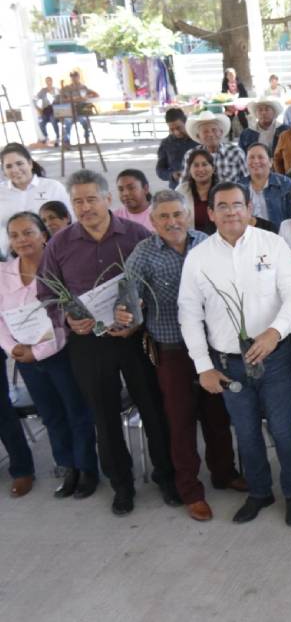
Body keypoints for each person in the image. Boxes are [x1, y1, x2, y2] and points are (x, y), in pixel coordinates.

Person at [37, 169, 176, 516]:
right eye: (78, 201)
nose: (85, 207)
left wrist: (139, 317)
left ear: (107, 199)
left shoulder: (136, 235)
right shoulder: (60, 244)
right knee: (105, 416)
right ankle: (122, 485)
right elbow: (46, 294)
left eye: (91, 199)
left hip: (134, 338)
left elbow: (158, 286)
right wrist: (67, 319)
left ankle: (166, 476)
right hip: (89, 343)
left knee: (153, 409)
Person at [178, 181, 291, 526]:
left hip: (273, 357)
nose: (231, 212)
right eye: (222, 206)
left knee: (282, 428)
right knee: (246, 433)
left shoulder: (272, 244)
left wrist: (274, 332)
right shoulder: (198, 258)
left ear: (250, 209)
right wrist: (203, 366)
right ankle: (260, 493)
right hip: (228, 364)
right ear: (210, 213)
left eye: (237, 204)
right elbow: (189, 313)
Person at [122, 191, 245, 521]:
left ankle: (224, 473)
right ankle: (190, 490)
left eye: (177, 214)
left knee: (217, 416)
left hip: (212, 348)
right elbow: (127, 296)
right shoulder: (143, 253)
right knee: (181, 422)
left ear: (189, 215)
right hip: (173, 353)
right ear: (153, 221)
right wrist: (127, 310)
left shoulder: (206, 242)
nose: (172, 221)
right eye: (163, 216)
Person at [0, 212, 97, 500]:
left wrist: (38, 351)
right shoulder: (4, 273)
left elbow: (65, 319)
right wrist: (12, 349)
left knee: (77, 412)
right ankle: (68, 467)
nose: (21, 240)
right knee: (51, 415)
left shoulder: (58, 268)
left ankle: (87, 469)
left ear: (44, 235)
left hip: (61, 354)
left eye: (28, 232)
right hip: (25, 358)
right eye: (15, 235)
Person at [1, 144, 72, 254]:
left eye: (19, 163)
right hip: (7, 257)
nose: (15, 170)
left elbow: (71, 221)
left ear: (30, 163)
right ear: (4, 170)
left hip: (50, 254)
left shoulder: (53, 187)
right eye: (9, 166)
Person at [181, 111, 249, 185]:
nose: (210, 134)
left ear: (221, 132)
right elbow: (184, 183)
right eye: (205, 131)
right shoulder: (190, 155)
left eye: (214, 130)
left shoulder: (236, 152)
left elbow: (246, 180)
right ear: (198, 136)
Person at [237, 143, 291, 226]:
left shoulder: (285, 183)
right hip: (249, 233)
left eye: (260, 157)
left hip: (278, 233)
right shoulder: (239, 186)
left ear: (270, 162)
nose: (256, 161)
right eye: (251, 157)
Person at [156, 108, 200, 189]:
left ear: (186, 122)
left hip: (199, 186)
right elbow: (160, 171)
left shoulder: (199, 139)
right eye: (172, 129)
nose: (176, 132)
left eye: (179, 128)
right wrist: (172, 175)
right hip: (177, 189)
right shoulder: (166, 143)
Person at [180, 149, 218, 233]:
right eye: (196, 165)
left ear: (213, 168)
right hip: (191, 239)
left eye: (204, 164)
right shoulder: (181, 191)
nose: (200, 169)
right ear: (189, 170)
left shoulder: (223, 190)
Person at [58, 70, 100, 147]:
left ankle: (87, 138)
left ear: (78, 77)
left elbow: (96, 94)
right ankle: (66, 142)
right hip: (70, 111)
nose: (74, 78)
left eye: (75, 76)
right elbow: (62, 99)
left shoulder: (83, 87)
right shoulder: (67, 88)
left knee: (85, 121)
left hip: (81, 110)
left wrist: (87, 96)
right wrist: (74, 99)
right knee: (67, 122)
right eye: (72, 77)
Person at [33, 76, 59, 148]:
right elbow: (35, 99)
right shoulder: (43, 91)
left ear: (52, 81)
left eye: (49, 80)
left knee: (53, 120)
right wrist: (38, 108)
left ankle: (57, 137)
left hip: (54, 111)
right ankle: (46, 137)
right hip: (45, 110)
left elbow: (60, 99)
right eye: (47, 81)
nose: (48, 82)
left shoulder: (56, 90)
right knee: (40, 122)